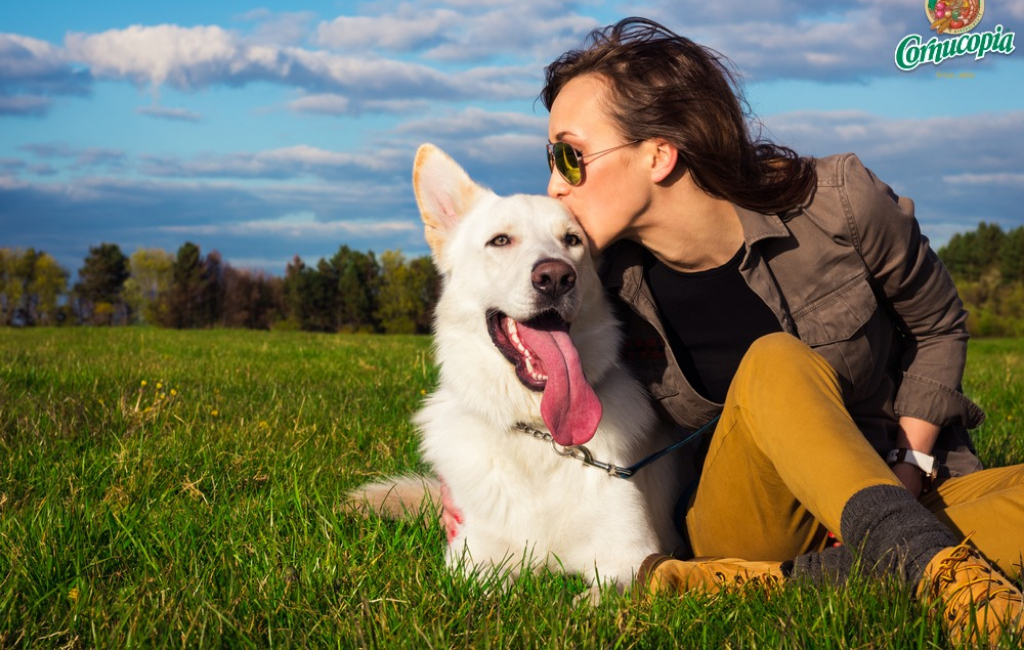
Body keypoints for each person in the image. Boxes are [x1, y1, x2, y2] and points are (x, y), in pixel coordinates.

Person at [443, 16, 1024, 645]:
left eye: (571, 156)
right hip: (752, 512)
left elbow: (938, 324)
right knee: (776, 360)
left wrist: (908, 464)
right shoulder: (594, 283)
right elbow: (503, 342)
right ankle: (946, 580)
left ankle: (763, 579)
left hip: (891, 484)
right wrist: (474, 472)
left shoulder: (840, 203)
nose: (556, 184)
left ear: (659, 154)